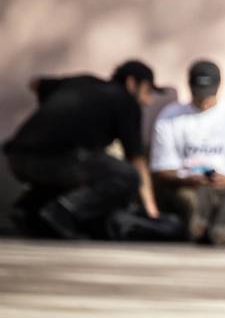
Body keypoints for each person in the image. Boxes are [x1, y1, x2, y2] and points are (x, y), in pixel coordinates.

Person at [3, 60, 162, 239]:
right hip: (54, 160)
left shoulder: (83, 81)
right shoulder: (127, 103)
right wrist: (152, 211)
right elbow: (137, 161)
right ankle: (63, 212)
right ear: (132, 83)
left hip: (16, 157)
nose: (149, 100)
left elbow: (36, 83)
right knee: (126, 175)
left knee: (85, 169)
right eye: (148, 91)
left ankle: (27, 211)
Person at [150, 60, 225, 245]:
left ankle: (218, 230)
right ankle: (203, 228)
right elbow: (162, 169)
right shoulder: (171, 116)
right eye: (198, 94)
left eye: (207, 95)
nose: (203, 101)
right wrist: (189, 179)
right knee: (192, 199)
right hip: (188, 187)